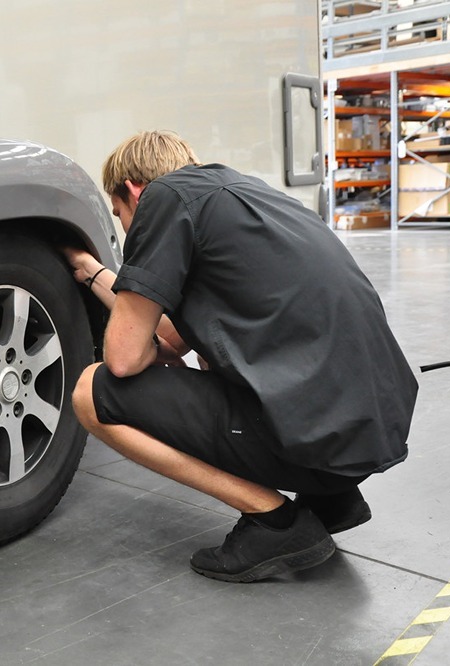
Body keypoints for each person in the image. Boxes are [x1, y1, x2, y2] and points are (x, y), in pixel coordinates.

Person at [64, 131, 417, 583]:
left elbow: (123, 360)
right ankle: (332, 497)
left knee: (92, 392)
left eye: (120, 215)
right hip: (363, 434)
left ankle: (275, 523)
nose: (125, 226)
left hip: (319, 437)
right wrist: (95, 272)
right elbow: (171, 338)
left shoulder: (163, 200)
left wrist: (136, 335)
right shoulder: (240, 194)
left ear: (133, 191)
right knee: (214, 359)